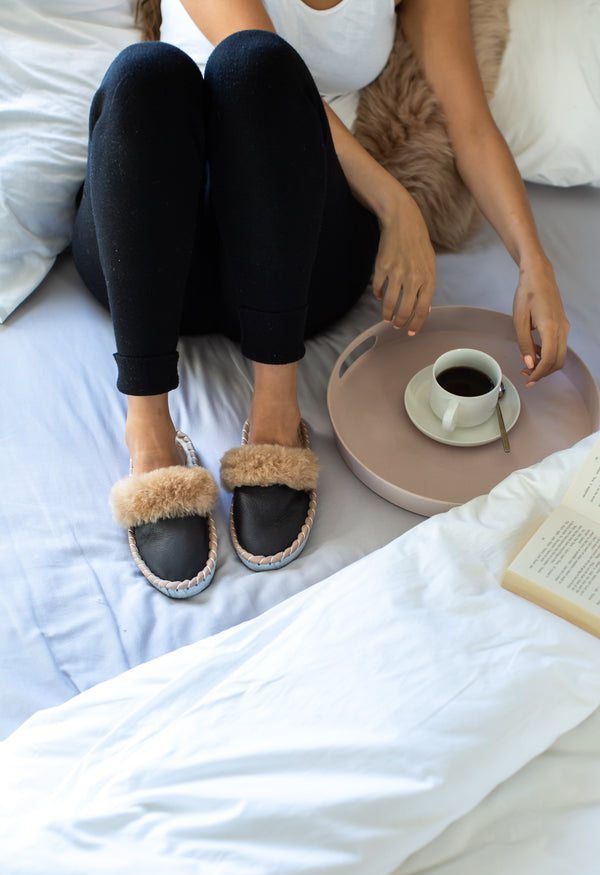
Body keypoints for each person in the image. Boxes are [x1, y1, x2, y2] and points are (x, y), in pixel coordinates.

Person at [72, 0, 570, 599]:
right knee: (161, 71)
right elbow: (252, 52)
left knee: (264, 73)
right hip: (151, 253)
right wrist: (395, 201)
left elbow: (471, 125)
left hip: (292, 259)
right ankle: (149, 428)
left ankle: (276, 413)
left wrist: (533, 263)